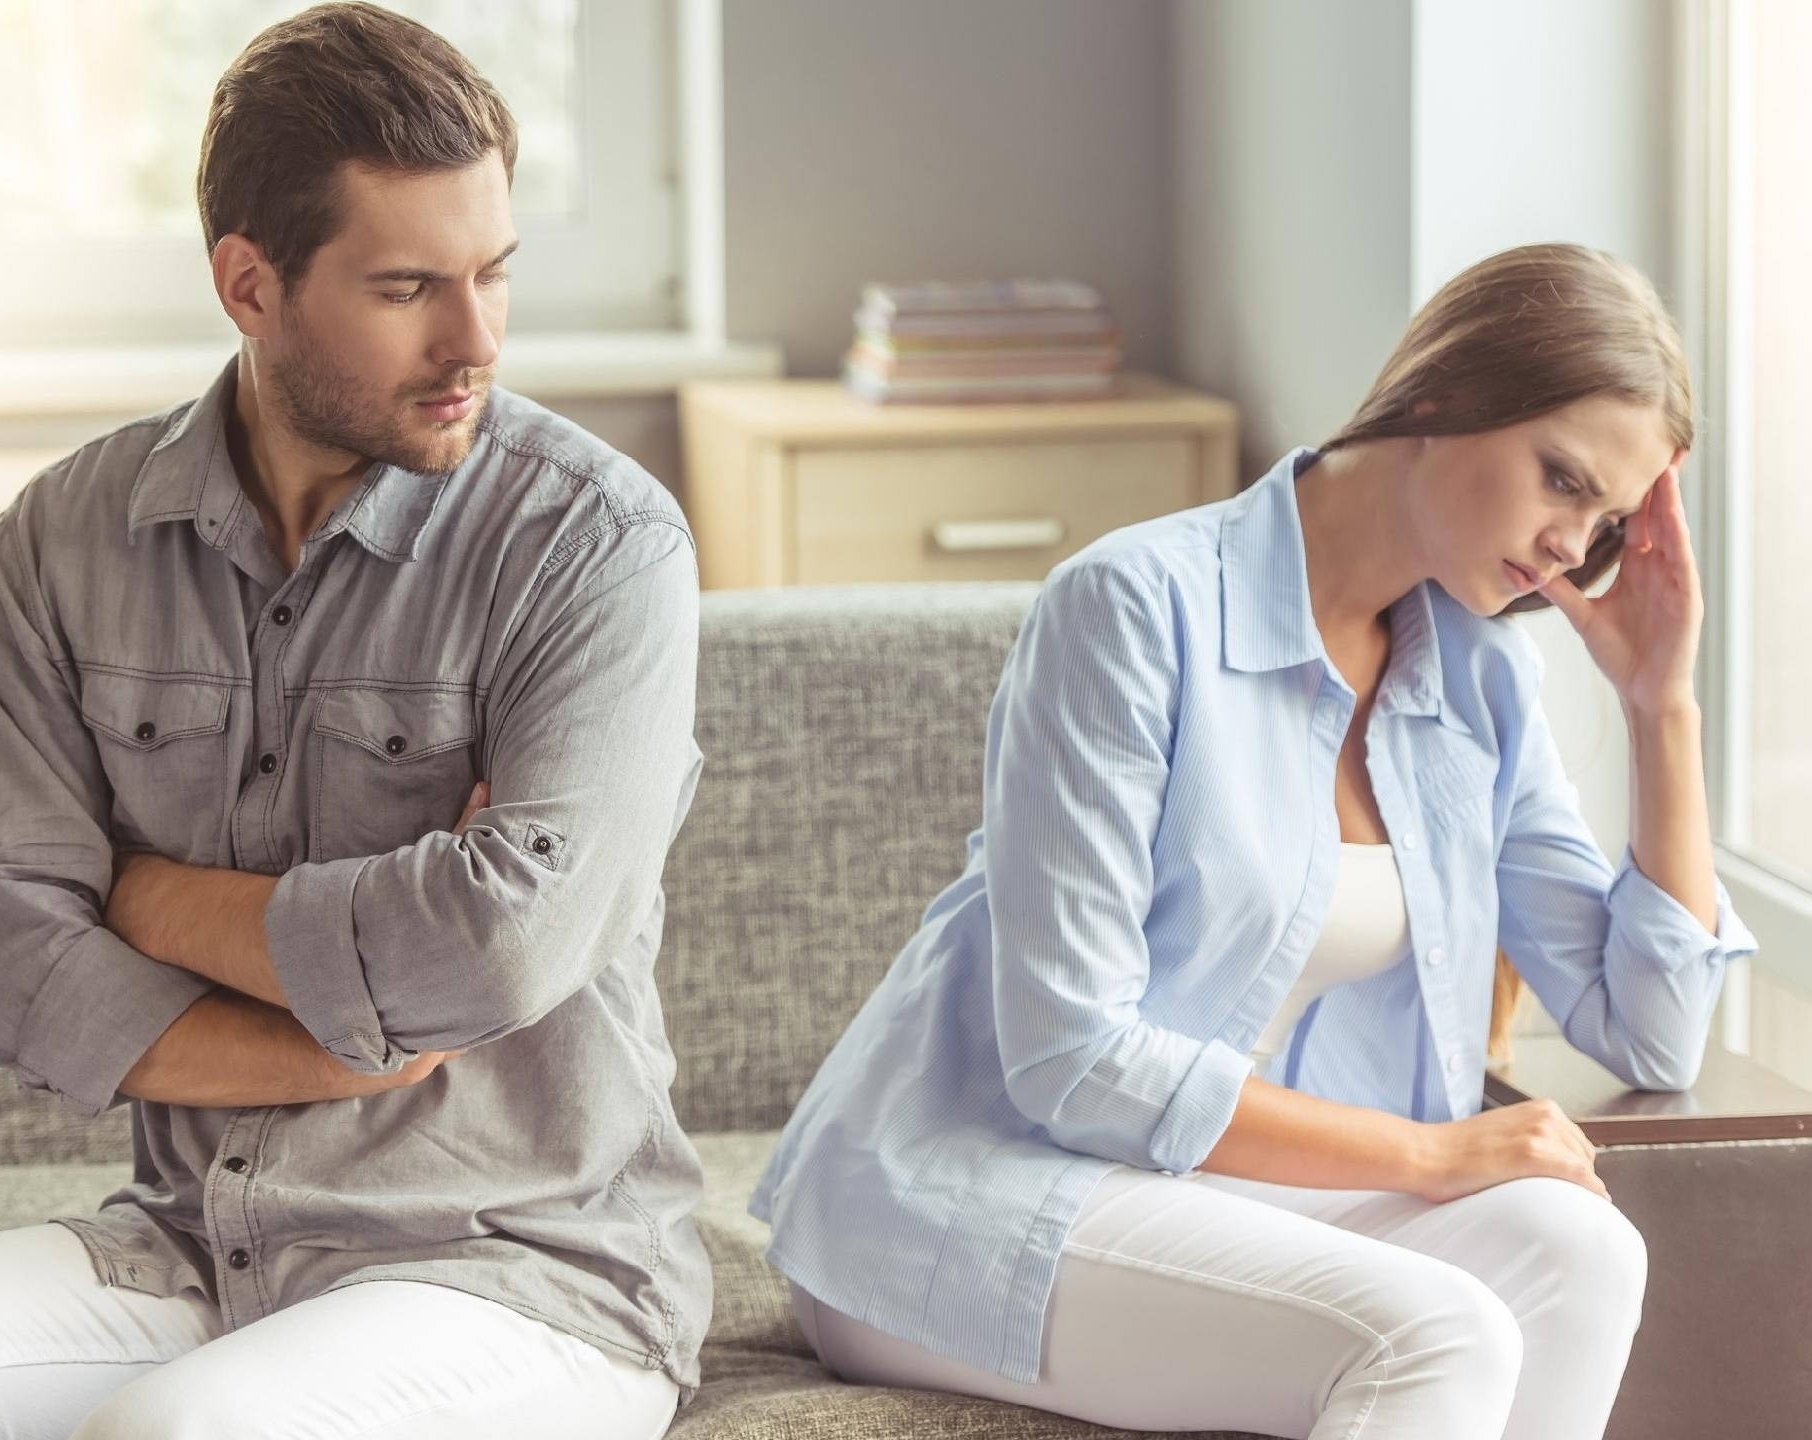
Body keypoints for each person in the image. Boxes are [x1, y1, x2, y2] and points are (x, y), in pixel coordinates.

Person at [748, 242, 1759, 1440]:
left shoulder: (1481, 676)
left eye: (1605, 521)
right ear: (1445, 393)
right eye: (1561, 481)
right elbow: (1071, 1058)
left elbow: (1650, 1028)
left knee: (1585, 1251)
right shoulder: (1133, 608)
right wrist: (1429, 1155)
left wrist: (1660, 706)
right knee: (1443, 1330)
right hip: (979, 1191)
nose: (1570, 547)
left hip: (1231, 1199)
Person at [0, 6, 707, 1437]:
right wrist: (339, 1046)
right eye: (407, 288)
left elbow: (499, 946)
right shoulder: (63, 543)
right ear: (249, 284)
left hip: (517, 1272)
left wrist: (143, 897)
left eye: (493, 274)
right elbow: (14, 968)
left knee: (173, 1434)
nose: (474, 341)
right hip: (197, 1244)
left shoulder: (596, 546)